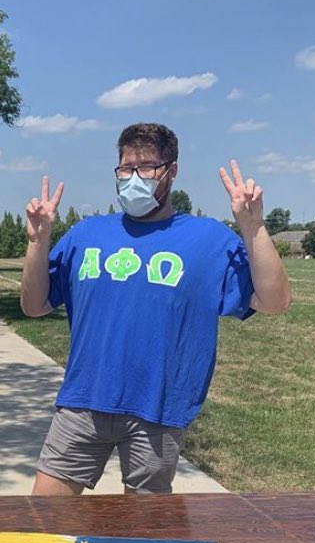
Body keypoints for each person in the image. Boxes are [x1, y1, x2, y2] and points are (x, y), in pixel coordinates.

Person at [21, 123, 291, 495]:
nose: (134, 178)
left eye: (146, 168)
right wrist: (38, 242)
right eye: (126, 169)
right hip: (83, 402)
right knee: (43, 519)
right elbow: (34, 305)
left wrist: (254, 227)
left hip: (158, 411)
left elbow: (275, 302)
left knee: (143, 527)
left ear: (171, 170)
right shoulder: (86, 234)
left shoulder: (208, 239)